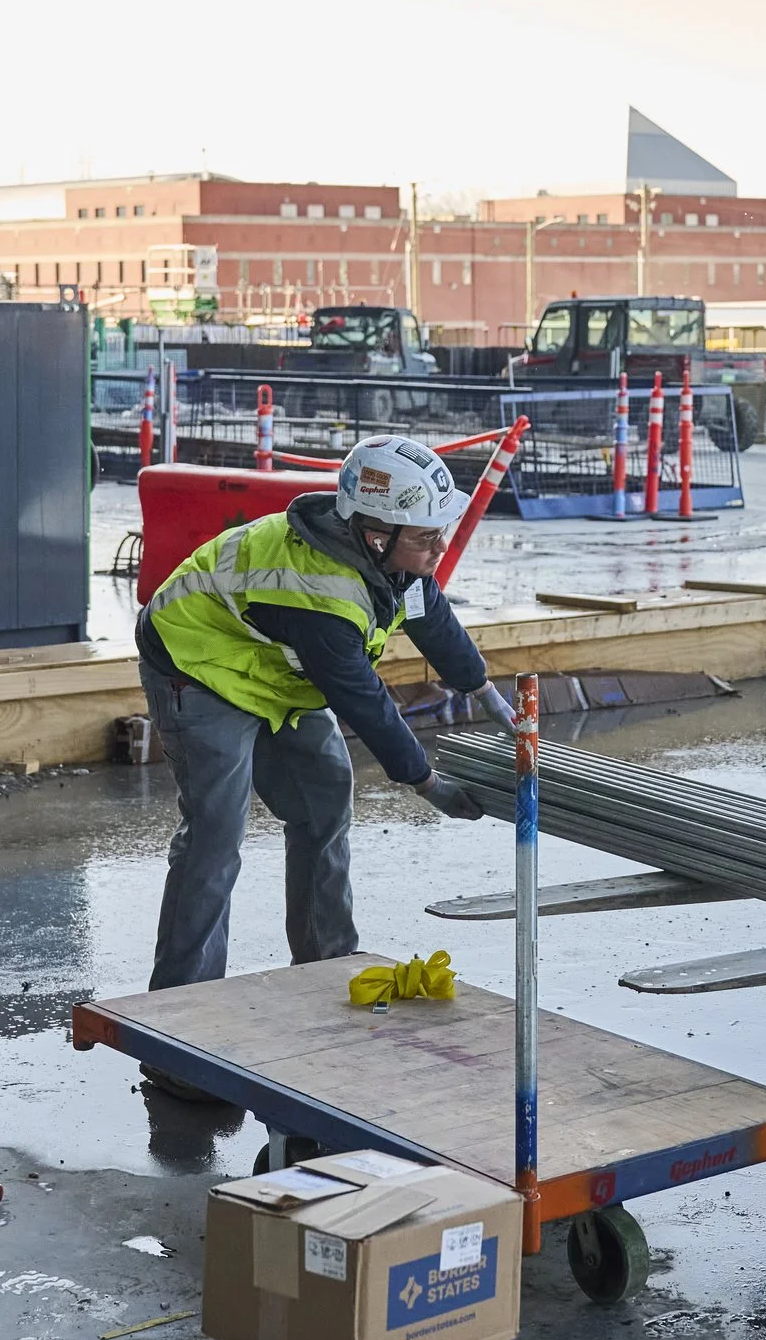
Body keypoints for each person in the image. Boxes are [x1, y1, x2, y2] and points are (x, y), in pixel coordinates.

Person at [133, 435, 508, 1093]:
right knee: (216, 836)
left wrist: (486, 691)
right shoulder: (320, 594)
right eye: (427, 539)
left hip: (271, 670)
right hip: (199, 664)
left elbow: (431, 616)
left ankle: (327, 960)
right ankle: (178, 1027)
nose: (439, 550)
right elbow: (364, 700)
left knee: (324, 799)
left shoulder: (395, 561)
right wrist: (427, 783)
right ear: (373, 533)